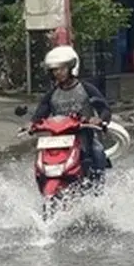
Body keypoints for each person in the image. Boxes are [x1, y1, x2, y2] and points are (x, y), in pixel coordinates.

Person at [30, 45, 113, 177]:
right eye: (55, 70)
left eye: (61, 68)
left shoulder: (86, 88)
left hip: (86, 136)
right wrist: (31, 124)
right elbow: (40, 113)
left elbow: (104, 108)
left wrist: (100, 119)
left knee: (98, 152)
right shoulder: (52, 94)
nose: (58, 73)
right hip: (59, 140)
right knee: (41, 160)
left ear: (71, 68)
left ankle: (97, 191)